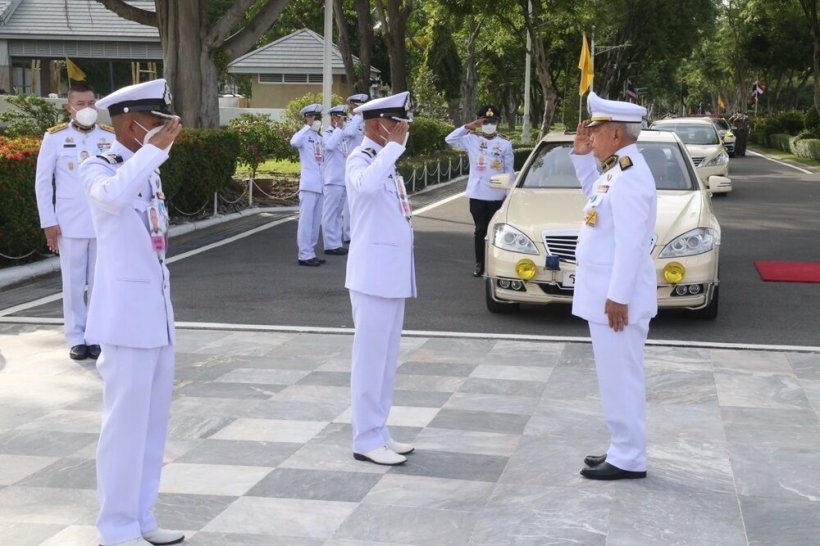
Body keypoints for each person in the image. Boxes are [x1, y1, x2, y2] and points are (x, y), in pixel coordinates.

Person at [79, 78, 185, 546]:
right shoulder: (97, 165)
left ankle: (141, 516)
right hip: (124, 317)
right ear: (129, 123)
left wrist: (149, 158)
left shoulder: (148, 168)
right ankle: (116, 528)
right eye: (155, 122)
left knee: (150, 425)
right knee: (124, 427)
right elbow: (111, 198)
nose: (162, 131)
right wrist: (150, 154)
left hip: (156, 313)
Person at [569, 91, 657, 481]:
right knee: (614, 375)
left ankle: (629, 456)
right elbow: (594, 198)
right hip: (605, 296)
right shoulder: (617, 171)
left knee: (622, 375)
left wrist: (618, 297)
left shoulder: (632, 176)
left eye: (597, 129)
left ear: (617, 133)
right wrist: (581, 156)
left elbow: (632, 243)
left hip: (617, 301)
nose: (591, 134)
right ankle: (621, 445)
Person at [345, 91, 416, 466]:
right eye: (397, 123)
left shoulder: (385, 162)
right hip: (372, 276)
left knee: (386, 360)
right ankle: (365, 438)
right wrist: (392, 150)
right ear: (378, 125)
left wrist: (391, 153)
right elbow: (366, 186)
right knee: (370, 360)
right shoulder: (361, 158)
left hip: (390, 276)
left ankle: (380, 431)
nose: (403, 131)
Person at [35, 83, 114, 361]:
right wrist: (49, 222)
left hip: (103, 222)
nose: (87, 109)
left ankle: (96, 336)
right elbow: (43, 183)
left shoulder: (109, 136)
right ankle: (76, 336)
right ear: (69, 107)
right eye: (80, 104)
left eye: (91, 103)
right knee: (72, 282)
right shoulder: (55, 137)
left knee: (99, 282)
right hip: (69, 223)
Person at [445, 104, 514, 277]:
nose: (488, 124)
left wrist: (508, 193)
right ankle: (479, 264)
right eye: (485, 121)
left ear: (498, 122)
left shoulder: (504, 143)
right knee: (479, 229)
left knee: (495, 231)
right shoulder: (472, 139)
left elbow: (509, 170)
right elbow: (450, 140)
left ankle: (495, 264)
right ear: (480, 122)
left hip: (496, 193)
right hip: (477, 193)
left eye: (492, 121)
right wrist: (469, 126)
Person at [290, 104, 326, 266]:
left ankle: (310, 252)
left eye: (318, 118)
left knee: (315, 221)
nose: (317, 120)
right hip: (309, 185)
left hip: (319, 185)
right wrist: (307, 126)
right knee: (306, 221)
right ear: (307, 118)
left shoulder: (319, 138)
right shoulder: (303, 136)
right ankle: (304, 255)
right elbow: (293, 142)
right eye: (313, 117)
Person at [321, 105, 352, 255]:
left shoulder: (342, 135)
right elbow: (330, 146)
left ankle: (336, 243)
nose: (343, 121)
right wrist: (339, 129)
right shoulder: (327, 134)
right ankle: (329, 245)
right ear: (334, 118)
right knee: (330, 213)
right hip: (332, 179)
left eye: (344, 118)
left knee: (338, 213)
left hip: (342, 179)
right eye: (340, 118)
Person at [342, 93, 369, 243]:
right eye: (358, 106)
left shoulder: (365, 122)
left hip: (365, 163)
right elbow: (349, 133)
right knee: (349, 203)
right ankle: (348, 234)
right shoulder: (350, 121)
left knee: (362, 201)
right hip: (352, 165)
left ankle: (359, 231)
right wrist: (358, 117)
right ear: (353, 107)